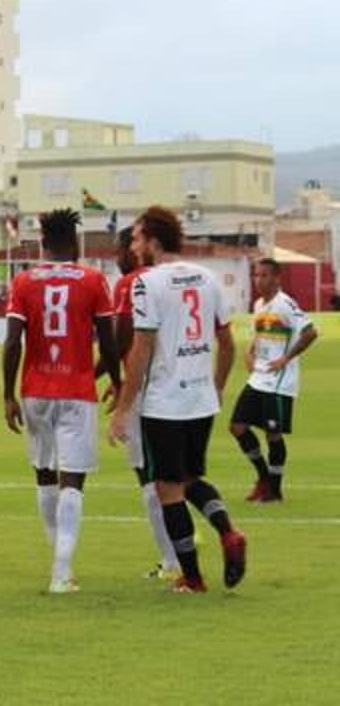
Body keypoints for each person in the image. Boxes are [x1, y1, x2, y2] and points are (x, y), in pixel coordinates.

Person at [109, 205, 247, 595]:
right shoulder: (208, 278)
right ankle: (228, 532)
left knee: (167, 488)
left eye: (136, 238)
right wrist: (217, 385)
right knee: (189, 479)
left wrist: (123, 407)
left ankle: (193, 578)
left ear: (152, 241)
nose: (134, 245)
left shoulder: (146, 284)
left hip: (164, 402)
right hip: (201, 399)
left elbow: (142, 348)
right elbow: (226, 342)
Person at [2, 208, 120, 594]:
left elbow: (11, 341)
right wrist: (116, 382)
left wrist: (7, 394)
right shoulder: (92, 280)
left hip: (35, 389)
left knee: (43, 473)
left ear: (44, 242)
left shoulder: (23, 281)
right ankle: (61, 572)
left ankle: (59, 564)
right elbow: (110, 339)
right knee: (73, 480)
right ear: (73, 242)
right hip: (76, 390)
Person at [110, 228, 180, 579]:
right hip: (177, 388)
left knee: (149, 476)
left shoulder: (131, 283)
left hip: (144, 393)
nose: (119, 256)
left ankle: (172, 558)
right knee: (173, 472)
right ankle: (180, 545)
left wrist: (113, 378)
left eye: (123, 248)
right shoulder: (174, 279)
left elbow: (122, 335)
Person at [230, 258, 318, 502]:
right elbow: (260, 334)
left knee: (273, 434)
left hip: (279, 382)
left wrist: (286, 359)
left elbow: (310, 333)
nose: (259, 280)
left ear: (277, 278)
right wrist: (250, 351)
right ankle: (264, 477)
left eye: (264, 275)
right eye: (256, 275)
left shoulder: (285, 304)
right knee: (237, 426)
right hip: (258, 377)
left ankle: (274, 491)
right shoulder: (259, 304)